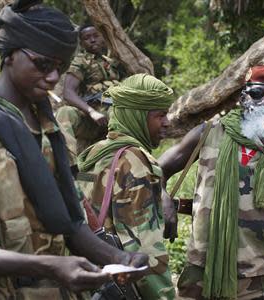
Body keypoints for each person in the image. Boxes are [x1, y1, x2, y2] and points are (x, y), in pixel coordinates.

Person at [0, 2, 147, 299]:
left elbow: (71, 225)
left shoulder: (52, 131)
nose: (53, 77)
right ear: (10, 55)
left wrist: (118, 258)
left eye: (61, 68)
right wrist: (48, 266)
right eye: (42, 64)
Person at [159, 66, 264, 299]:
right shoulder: (208, 133)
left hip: (259, 280)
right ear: (243, 98)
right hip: (201, 271)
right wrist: (164, 201)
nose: (263, 101)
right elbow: (156, 170)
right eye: (256, 93)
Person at [77, 73, 177, 300]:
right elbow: (143, 250)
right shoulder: (135, 162)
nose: (167, 123)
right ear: (137, 116)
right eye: (160, 115)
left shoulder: (95, 152)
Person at [56, 24, 125, 168]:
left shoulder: (111, 63)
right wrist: (92, 112)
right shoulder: (81, 61)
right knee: (65, 112)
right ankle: (67, 165)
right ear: (81, 43)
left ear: (103, 39)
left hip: (114, 118)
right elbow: (68, 92)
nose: (92, 40)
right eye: (87, 38)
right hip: (92, 118)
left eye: (96, 36)